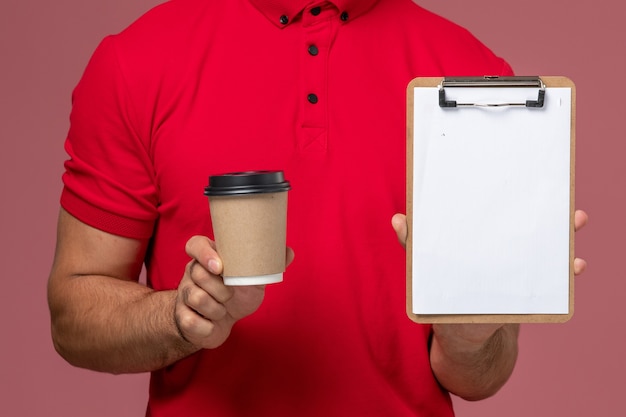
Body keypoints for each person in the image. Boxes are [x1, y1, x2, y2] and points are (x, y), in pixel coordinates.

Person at [47, 0, 588, 416]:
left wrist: (468, 338)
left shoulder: (472, 75)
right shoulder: (136, 61)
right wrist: (180, 318)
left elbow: (480, 378)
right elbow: (74, 314)